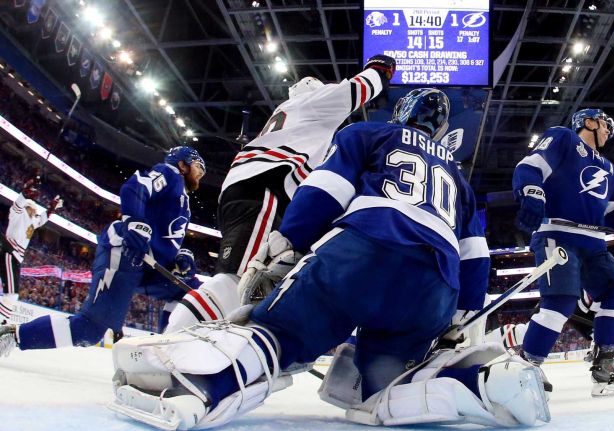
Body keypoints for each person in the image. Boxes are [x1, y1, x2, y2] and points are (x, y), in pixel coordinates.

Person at [109, 89, 551, 429]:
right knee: (382, 379)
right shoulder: (459, 178)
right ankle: (477, 382)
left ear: (401, 115)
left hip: (362, 252)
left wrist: (288, 243)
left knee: (278, 333)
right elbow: (475, 255)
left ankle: (202, 389)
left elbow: (325, 191)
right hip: (434, 286)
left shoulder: (368, 133)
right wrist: (462, 313)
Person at [163, 54, 397, 332]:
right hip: (265, 189)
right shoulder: (315, 103)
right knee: (237, 279)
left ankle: (216, 348)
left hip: (247, 188)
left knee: (247, 280)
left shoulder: (294, 119)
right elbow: (359, 89)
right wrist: (380, 70)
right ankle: (171, 342)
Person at [511, 108, 614, 396]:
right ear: (588, 122)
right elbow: (529, 167)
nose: (608, 131)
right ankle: (527, 367)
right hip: (557, 233)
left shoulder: (610, 169)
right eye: (604, 125)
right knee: (561, 300)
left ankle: (605, 366)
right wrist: (532, 193)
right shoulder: (563, 138)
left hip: (593, 242)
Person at [0, 147, 206, 356]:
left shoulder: (182, 197)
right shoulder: (170, 174)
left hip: (149, 265)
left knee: (193, 293)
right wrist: (134, 222)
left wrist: (179, 256)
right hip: (126, 254)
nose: (201, 173)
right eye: (199, 167)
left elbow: (165, 235)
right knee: (89, 330)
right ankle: (11, 335)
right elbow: (135, 188)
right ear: (182, 164)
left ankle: (165, 353)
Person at [489, 239, 614, 381]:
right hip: (574, 301)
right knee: (613, 328)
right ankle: (604, 368)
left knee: (533, 330)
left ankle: (488, 342)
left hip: (578, 301)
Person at [0, 175, 62, 322]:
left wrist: (51, 208)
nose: (35, 212)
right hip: (9, 252)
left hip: (15, 257)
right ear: (28, 208)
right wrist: (25, 192)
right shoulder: (18, 214)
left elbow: (42, 219)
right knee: (11, 295)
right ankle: (2, 320)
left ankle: (3, 320)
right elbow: (17, 205)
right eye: (33, 209)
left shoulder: (33, 221)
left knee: (12, 295)